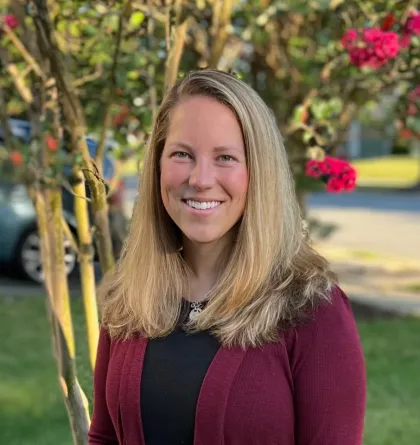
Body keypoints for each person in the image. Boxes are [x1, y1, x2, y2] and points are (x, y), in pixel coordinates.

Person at [88, 69, 366, 445]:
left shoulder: (312, 310)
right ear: (157, 165)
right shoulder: (129, 297)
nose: (201, 178)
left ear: (258, 172)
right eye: (182, 154)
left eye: (225, 157)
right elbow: (104, 437)